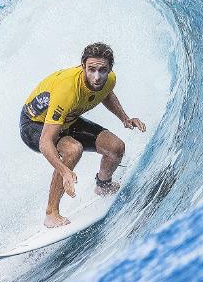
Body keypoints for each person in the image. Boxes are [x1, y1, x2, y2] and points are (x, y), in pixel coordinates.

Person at [19, 42, 146, 228]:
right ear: (82, 66)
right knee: (72, 150)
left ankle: (103, 185)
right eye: (91, 70)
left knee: (116, 148)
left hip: (66, 120)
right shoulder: (67, 89)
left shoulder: (109, 79)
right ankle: (51, 213)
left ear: (110, 69)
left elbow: (106, 94)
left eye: (103, 70)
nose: (97, 77)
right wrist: (64, 171)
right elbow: (45, 141)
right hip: (35, 124)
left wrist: (125, 119)